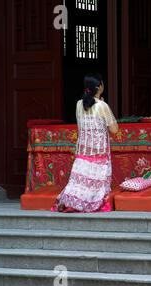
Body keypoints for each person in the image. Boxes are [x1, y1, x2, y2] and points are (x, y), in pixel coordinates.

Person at [52, 73, 119, 213]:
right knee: (96, 186)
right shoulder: (102, 105)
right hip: (99, 152)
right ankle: (91, 204)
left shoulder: (78, 104)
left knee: (79, 184)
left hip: (83, 152)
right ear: (99, 87)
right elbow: (114, 129)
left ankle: (74, 203)